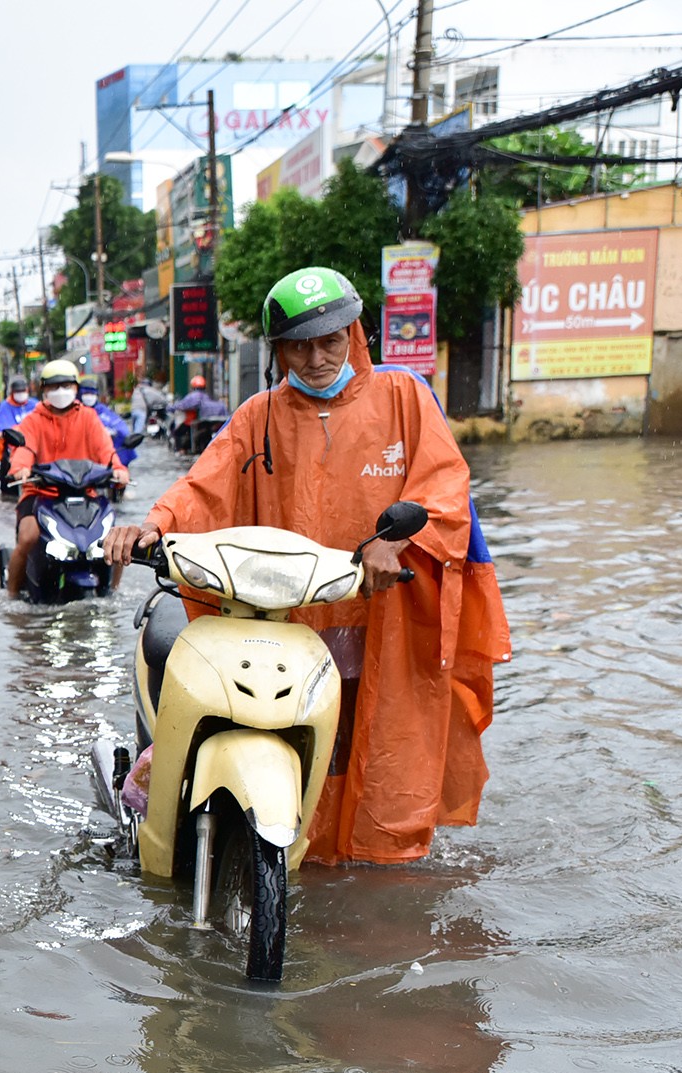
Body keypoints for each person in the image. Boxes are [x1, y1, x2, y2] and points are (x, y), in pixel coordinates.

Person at [104, 266, 511, 865]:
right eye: (299, 344)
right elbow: (203, 488)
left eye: (330, 340)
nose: (316, 358)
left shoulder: (405, 399)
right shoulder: (256, 417)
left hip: (383, 623)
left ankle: (368, 866)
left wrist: (391, 545)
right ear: (279, 351)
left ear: (355, 335)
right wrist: (155, 524)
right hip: (284, 622)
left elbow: (443, 491)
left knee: (378, 754)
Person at [4, 361, 127, 599]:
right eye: (55, 386)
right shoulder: (34, 420)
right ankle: (11, 596)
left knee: (115, 539)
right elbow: (25, 448)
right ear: (44, 390)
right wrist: (21, 468)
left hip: (85, 494)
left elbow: (106, 450)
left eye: (66, 385)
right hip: (41, 493)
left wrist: (119, 469)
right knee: (28, 536)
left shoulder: (89, 418)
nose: (61, 391)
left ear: (75, 387)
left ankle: (113, 592)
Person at [0, 375, 37, 471]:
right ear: (12, 392)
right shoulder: (5, 406)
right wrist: (2, 434)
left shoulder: (35, 404)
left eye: (23, 391)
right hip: (13, 445)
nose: (21, 394)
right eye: (18, 392)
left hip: (36, 443)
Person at [78, 379, 134, 466]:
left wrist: (112, 433)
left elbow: (121, 428)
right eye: (86, 393)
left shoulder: (103, 411)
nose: (89, 397)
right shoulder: (73, 412)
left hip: (104, 463)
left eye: (92, 394)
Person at [169, 374, 228, 452]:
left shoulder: (193, 396)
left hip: (196, 423)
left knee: (179, 433)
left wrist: (171, 408)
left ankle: (182, 450)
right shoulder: (207, 396)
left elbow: (182, 405)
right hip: (207, 423)